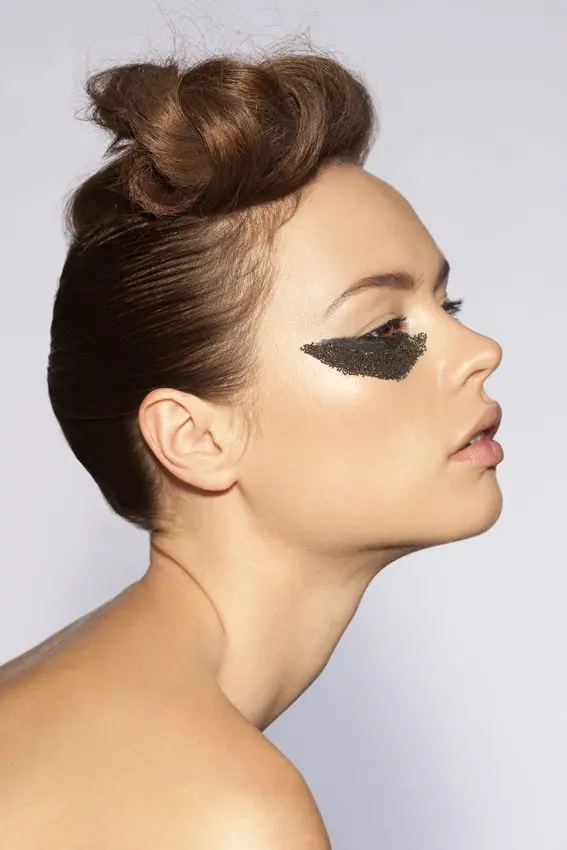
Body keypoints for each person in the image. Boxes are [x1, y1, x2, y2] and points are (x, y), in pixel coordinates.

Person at [0, 41, 504, 849]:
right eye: (382, 331)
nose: (479, 350)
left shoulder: (65, 714)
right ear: (194, 436)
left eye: (448, 306)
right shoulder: (221, 811)